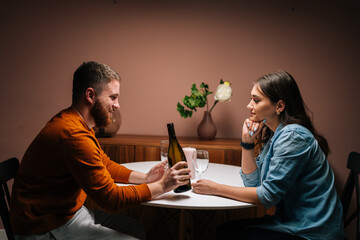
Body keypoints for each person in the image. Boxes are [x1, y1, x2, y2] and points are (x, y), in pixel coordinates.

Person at [10, 61, 191, 240]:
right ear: (90, 95)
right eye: (113, 97)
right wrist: (162, 186)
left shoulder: (76, 123)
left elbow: (103, 163)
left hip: (67, 214)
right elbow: (110, 199)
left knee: (136, 229)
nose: (117, 105)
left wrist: (145, 178)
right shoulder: (73, 134)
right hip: (44, 227)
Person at [192, 71, 343, 240]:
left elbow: (267, 197)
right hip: (291, 223)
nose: (249, 105)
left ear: (279, 106)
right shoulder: (275, 134)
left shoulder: (293, 137)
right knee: (225, 230)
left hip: (311, 232)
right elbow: (253, 183)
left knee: (231, 234)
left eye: (256, 100)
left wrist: (215, 188)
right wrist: (247, 143)